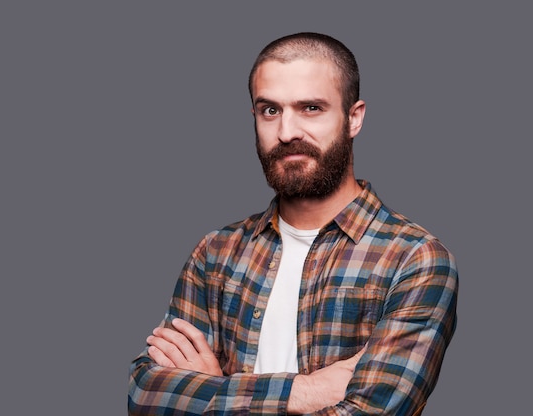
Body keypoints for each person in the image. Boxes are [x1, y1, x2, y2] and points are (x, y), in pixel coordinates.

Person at [128, 32, 458, 415]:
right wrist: (306, 390)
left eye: (311, 109)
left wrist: (213, 391)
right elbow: (144, 396)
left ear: (354, 118)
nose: (286, 133)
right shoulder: (216, 252)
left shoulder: (415, 260)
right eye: (270, 110)